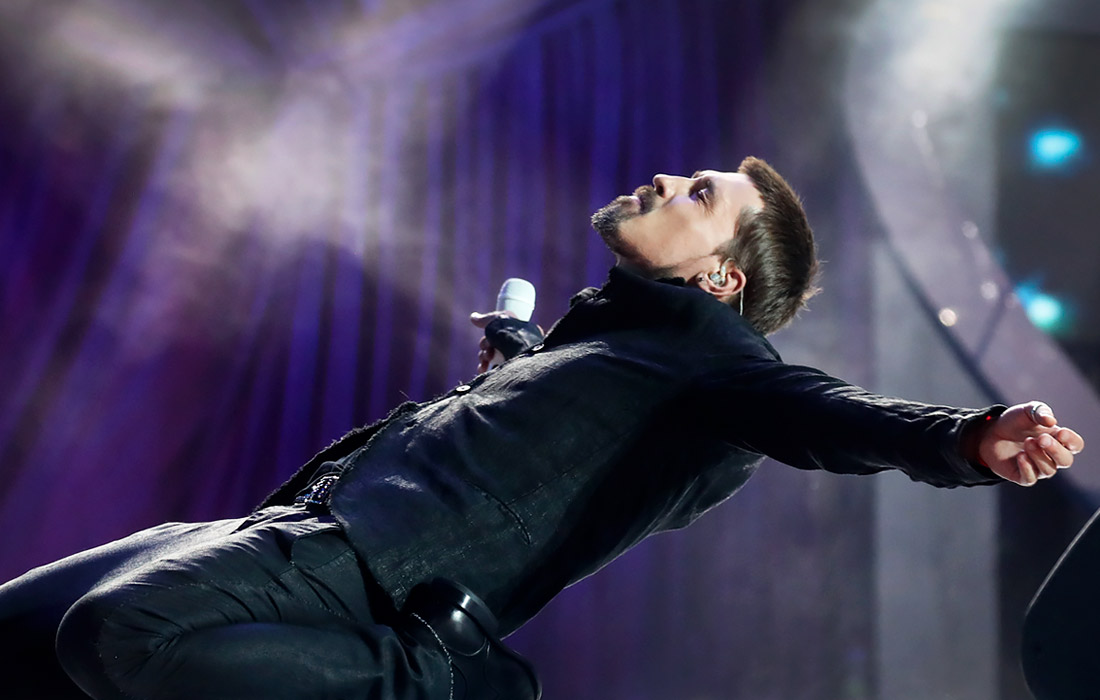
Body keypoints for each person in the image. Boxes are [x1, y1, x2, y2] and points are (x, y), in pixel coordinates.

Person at [0, 157, 1084, 700]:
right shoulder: (609, 348)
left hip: (361, 582)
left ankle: (435, 677)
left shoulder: (717, 364)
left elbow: (826, 415)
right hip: (280, 531)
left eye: (698, 193)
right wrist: (517, 364)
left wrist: (965, 435)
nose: (665, 179)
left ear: (721, 276)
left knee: (117, 636)